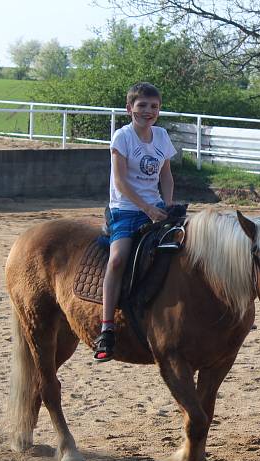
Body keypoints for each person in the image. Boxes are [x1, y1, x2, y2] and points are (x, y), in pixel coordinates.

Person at [93, 82, 177, 363]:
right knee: (117, 259)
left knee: (189, 245)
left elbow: (166, 175)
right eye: (142, 106)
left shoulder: (162, 136)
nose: (148, 111)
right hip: (126, 209)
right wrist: (147, 208)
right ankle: (107, 328)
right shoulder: (122, 137)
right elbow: (120, 181)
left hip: (155, 207)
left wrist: (166, 204)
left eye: (154, 106)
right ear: (130, 109)